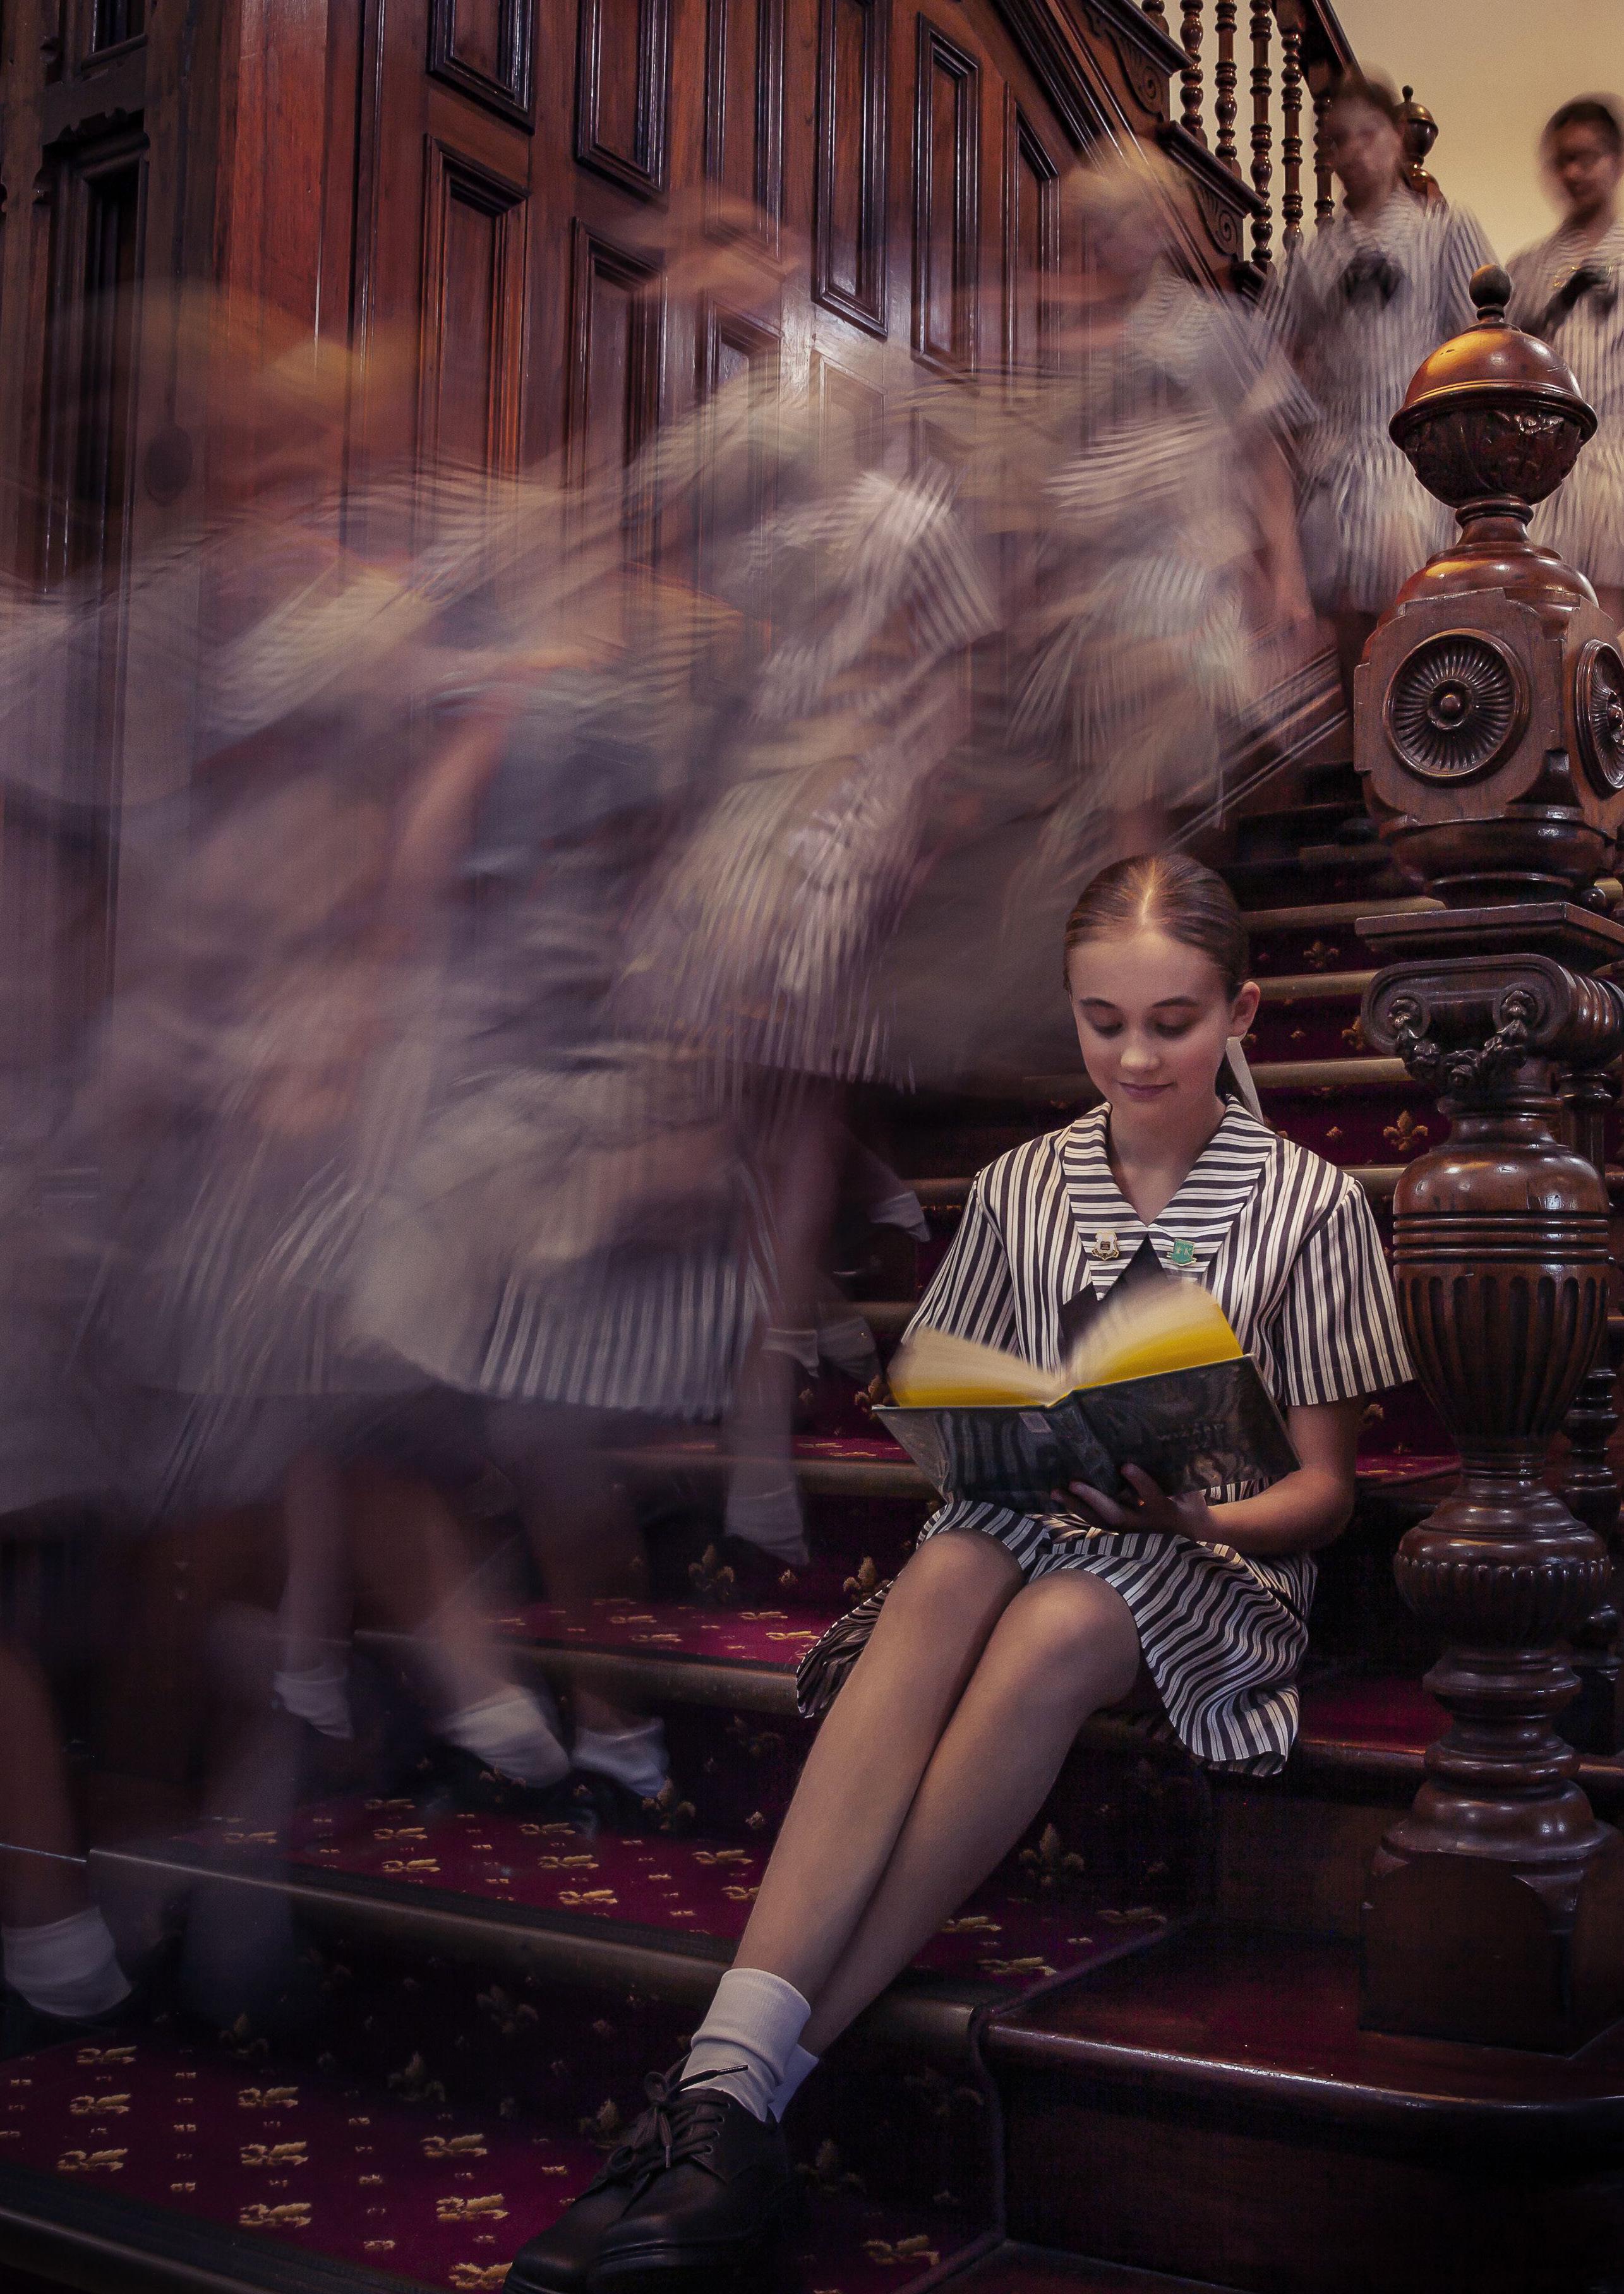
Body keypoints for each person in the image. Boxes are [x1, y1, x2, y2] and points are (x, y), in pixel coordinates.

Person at [504, 851, 1412, 2292]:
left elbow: (1321, 1493)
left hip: (1209, 1558)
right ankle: (730, 2092)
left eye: (1172, 1021)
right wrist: (993, 1436)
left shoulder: (1312, 1205)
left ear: (1243, 1011)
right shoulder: (1018, 1182)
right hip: (1038, 1514)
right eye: (1101, 1020)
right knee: (944, 1574)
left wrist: (1195, 1514)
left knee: (1051, 1622)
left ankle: (725, 2096)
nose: (1133, 1054)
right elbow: (953, 1389)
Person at [1266, 72, 1493, 689]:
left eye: (1367, 135)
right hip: (1331, 468)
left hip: (1411, 464)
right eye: (1339, 141)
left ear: (1396, 137)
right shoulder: (1309, 257)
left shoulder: (1443, 231)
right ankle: (1362, 748)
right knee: (1351, 649)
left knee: (1417, 638)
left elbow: (1481, 349)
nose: (1354, 153)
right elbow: (1272, 362)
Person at [1508, 96, 1624, 628]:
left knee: (1609, 633)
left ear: (1615, 161)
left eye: (1586, 157)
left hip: (1618, 462)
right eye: (1562, 161)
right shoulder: (1527, 269)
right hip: (1550, 471)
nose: (1573, 173)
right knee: (1548, 629)